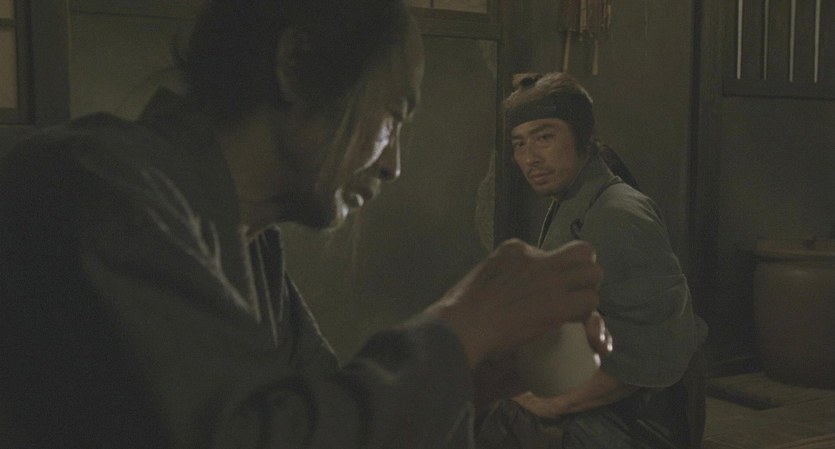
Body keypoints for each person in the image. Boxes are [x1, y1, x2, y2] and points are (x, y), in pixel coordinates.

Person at [0, 2, 611, 447]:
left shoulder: (252, 247)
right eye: (392, 117)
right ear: (295, 63)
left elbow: (318, 415)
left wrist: (470, 380)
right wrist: (464, 321)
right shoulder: (93, 186)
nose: (394, 164)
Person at [476, 72, 708, 449]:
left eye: (544, 137)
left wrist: (553, 403)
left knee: (491, 419)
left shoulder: (618, 214)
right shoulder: (574, 197)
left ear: (584, 137)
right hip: (595, 385)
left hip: (641, 420)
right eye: (519, 143)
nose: (530, 157)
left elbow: (652, 355)